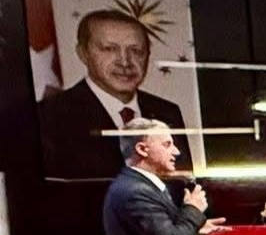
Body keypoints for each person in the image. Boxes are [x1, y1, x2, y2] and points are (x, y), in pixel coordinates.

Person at [42, 12, 191, 180]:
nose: (125, 62)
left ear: (148, 56)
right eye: (109, 49)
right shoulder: (50, 115)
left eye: (136, 51)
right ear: (83, 54)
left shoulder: (167, 112)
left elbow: (184, 185)